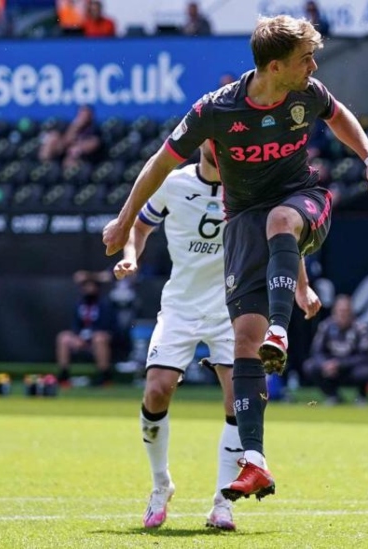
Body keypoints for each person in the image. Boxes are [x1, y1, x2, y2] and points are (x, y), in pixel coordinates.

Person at [102, 15, 368, 503]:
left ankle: (280, 329)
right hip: (242, 221)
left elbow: (339, 114)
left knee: (281, 222)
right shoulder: (215, 110)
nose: (314, 66)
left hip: (302, 199)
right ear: (275, 66)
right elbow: (159, 163)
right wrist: (124, 220)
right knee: (243, 342)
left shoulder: (307, 91)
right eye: (306, 59)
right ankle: (254, 460)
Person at [112, 142, 239, 531]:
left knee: (241, 401)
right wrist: (132, 255)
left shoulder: (246, 185)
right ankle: (160, 484)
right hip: (181, 306)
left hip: (230, 308)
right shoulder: (173, 183)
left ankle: (223, 502)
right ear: (202, 141)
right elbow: (140, 225)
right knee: (156, 390)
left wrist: (300, 287)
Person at [303, 295, 368, 405]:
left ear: (351, 312)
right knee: (310, 366)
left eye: (346, 311)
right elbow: (316, 351)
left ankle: (361, 396)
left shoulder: (361, 328)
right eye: (340, 311)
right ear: (334, 312)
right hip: (330, 369)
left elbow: (365, 356)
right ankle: (333, 396)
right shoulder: (325, 326)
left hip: (351, 368)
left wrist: (340, 364)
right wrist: (325, 364)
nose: (343, 314)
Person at [56, 271, 116, 387]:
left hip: (98, 336)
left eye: (91, 286)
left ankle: (104, 376)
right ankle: (64, 375)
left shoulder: (105, 304)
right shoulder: (79, 304)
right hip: (81, 337)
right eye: (85, 287)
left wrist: (91, 336)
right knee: (63, 338)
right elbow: (75, 324)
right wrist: (77, 336)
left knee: (99, 339)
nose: (88, 289)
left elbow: (108, 325)